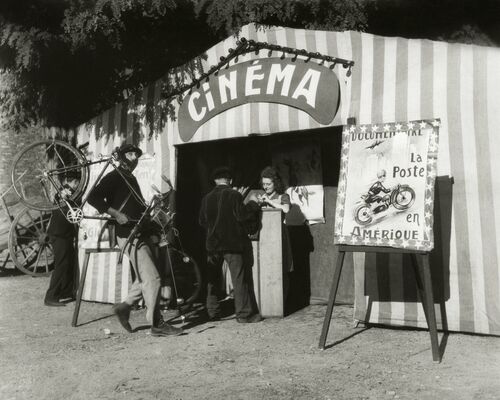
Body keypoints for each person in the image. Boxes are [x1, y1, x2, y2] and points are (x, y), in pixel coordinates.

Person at [87, 143, 182, 336]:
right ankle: (157, 324)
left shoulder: (130, 178)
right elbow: (93, 197)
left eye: (136, 155)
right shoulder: (114, 176)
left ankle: (125, 306)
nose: (134, 158)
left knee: (145, 276)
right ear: (121, 158)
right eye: (129, 154)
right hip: (127, 234)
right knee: (153, 278)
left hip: (140, 231)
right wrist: (116, 214)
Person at [199, 166, 262, 323]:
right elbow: (242, 216)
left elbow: (202, 221)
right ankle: (244, 314)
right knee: (239, 279)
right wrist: (254, 204)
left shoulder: (206, 198)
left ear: (215, 181)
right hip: (232, 244)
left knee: (212, 280)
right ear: (230, 180)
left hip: (213, 245)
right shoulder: (234, 195)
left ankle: (213, 312)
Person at [44, 172, 80, 307]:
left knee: (68, 262)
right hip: (59, 234)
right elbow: (60, 197)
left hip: (65, 233)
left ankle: (65, 291)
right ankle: (50, 296)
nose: (77, 185)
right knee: (61, 264)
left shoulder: (71, 192)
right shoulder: (64, 191)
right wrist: (63, 195)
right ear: (72, 182)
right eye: (76, 183)